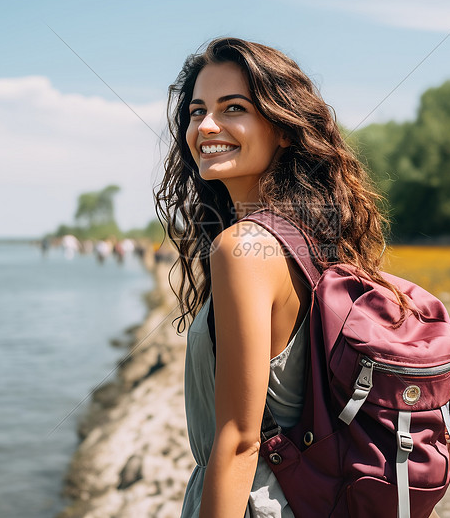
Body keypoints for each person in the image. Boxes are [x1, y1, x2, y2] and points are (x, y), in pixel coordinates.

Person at [155, 38, 431, 518]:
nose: (207, 126)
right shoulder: (309, 237)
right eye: (197, 111)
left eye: (233, 107)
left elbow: (239, 442)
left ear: (283, 129)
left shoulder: (243, 248)